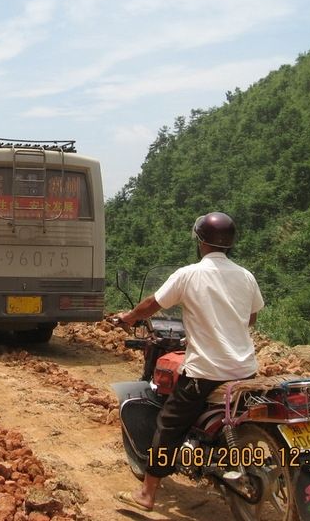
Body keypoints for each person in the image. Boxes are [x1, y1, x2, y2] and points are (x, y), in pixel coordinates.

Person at [115, 211, 264, 513]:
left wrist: (129, 317)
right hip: (246, 370)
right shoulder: (245, 276)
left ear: (199, 241)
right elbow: (251, 316)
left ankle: (147, 493)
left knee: (168, 424)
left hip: (205, 371)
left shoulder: (189, 274)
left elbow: (152, 304)